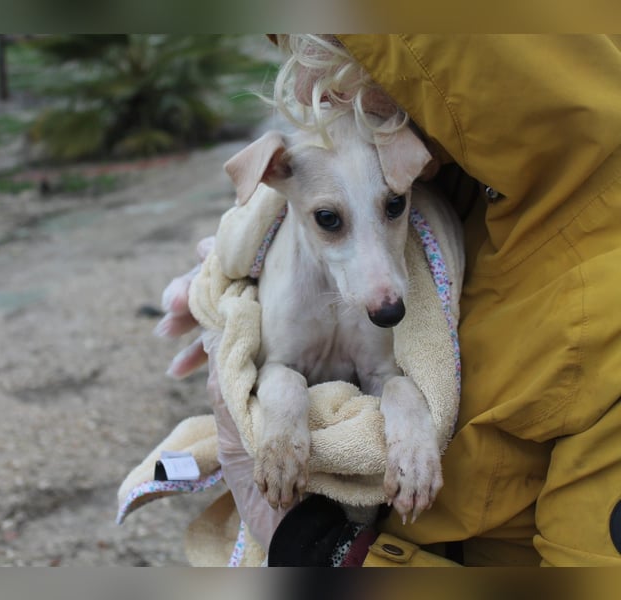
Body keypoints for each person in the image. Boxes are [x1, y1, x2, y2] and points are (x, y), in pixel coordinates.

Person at [157, 34, 621, 566]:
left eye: (395, 206)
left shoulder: (594, 299)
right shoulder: (462, 181)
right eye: (331, 221)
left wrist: (309, 543)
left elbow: (387, 374)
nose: (321, 98)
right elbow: (276, 359)